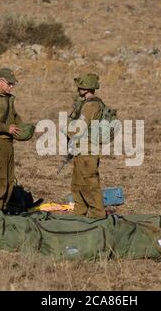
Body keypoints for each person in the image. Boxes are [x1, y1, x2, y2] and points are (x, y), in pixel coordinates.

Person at [0, 68, 34, 213]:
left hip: (7, 144)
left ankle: (2, 209)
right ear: (0, 81)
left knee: (9, 180)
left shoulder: (9, 98)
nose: (11, 87)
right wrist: (5, 128)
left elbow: (15, 117)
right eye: (9, 84)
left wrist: (24, 130)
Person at [67, 73, 106, 218]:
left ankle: (97, 216)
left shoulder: (91, 105)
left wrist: (67, 128)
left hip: (87, 151)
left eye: (81, 86)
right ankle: (79, 214)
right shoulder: (89, 103)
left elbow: (79, 128)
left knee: (90, 184)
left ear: (86, 88)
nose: (78, 89)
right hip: (81, 150)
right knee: (77, 185)